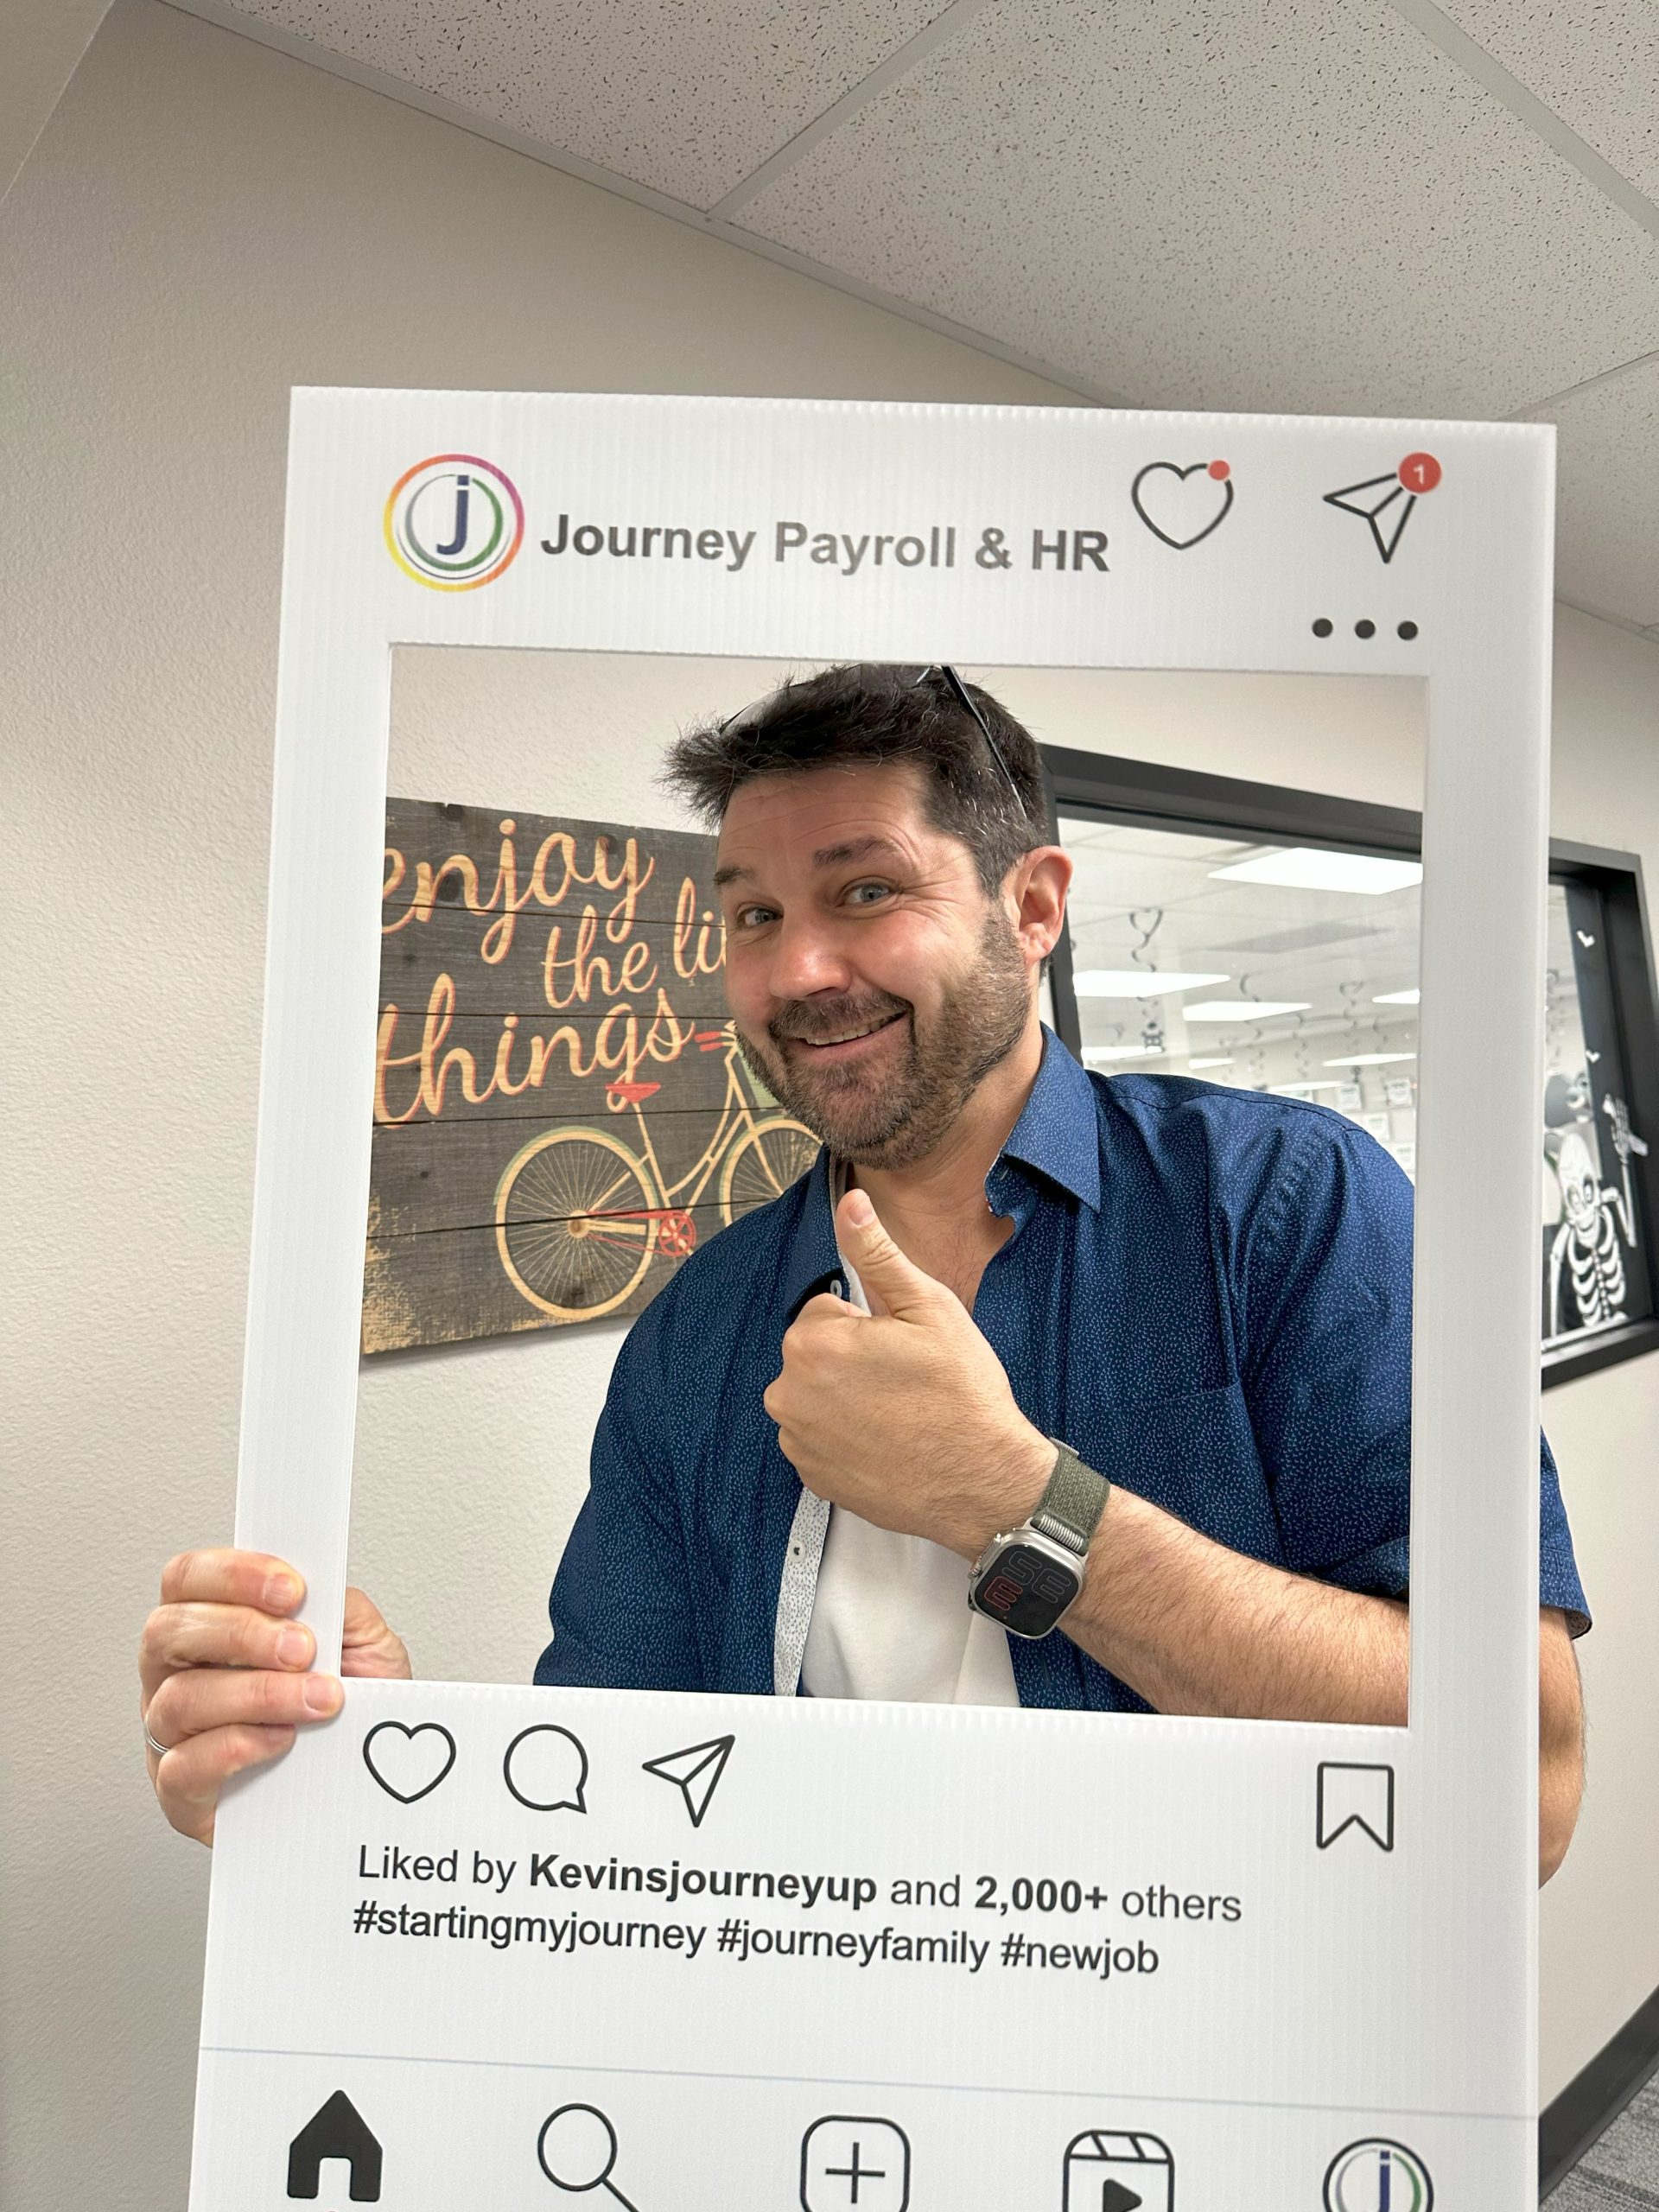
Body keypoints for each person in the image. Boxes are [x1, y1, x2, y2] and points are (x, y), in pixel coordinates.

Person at [140, 663, 1589, 1878]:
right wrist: (368, 1765)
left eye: (865, 890)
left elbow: (1520, 1784)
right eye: (754, 914)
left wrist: (1018, 1506)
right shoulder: (706, 1327)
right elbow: (621, 1792)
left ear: (1034, 905)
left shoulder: (1285, 1207)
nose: (797, 973)